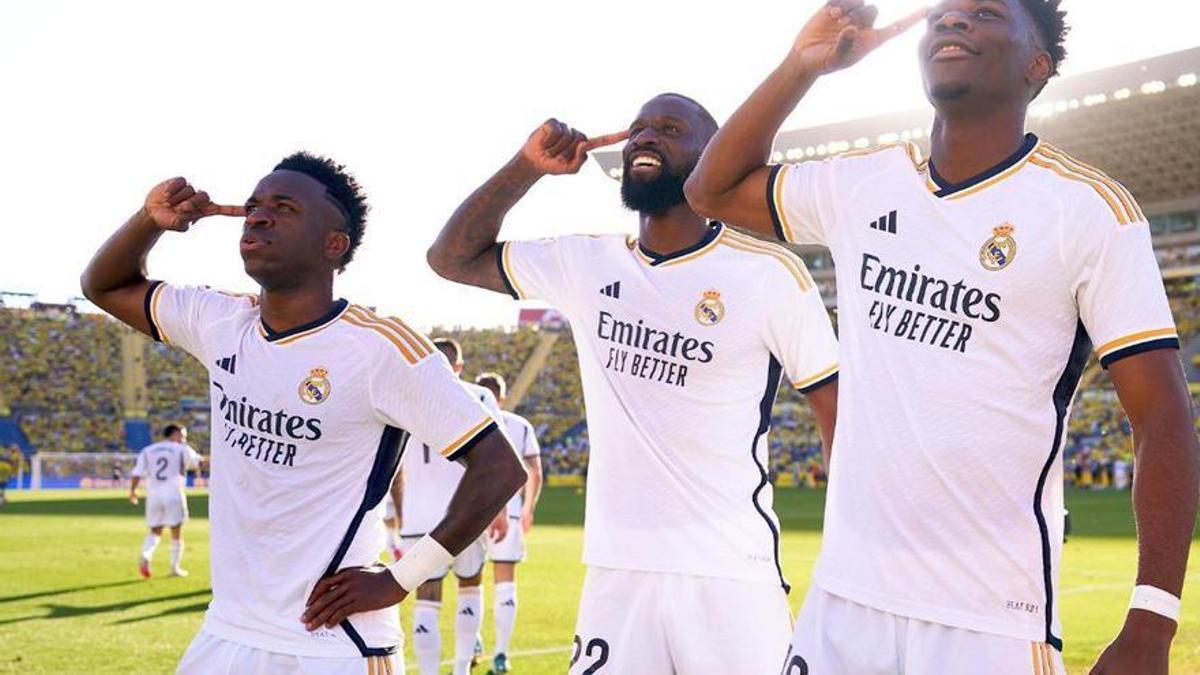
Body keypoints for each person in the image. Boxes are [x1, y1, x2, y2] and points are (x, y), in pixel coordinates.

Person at [685, 1, 1200, 673]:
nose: (951, 22)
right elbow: (711, 189)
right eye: (942, 15)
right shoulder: (861, 183)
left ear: (1036, 66)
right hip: (843, 606)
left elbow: (1161, 414)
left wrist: (1153, 621)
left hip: (986, 623)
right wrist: (803, 66)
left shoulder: (1090, 212)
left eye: (984, 13)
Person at [428, 93, 840, 673]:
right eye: (638, 129)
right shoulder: (586, 263)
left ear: (712, 154)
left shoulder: (768, 273)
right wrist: (527, 166)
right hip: (617, 570)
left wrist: (848, 556)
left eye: (670, 128)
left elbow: (836, 412)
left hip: (728, 572)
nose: (645, 137)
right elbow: (450, 258)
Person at [81, 153, 526, 674]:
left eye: (284, 207)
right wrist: (149, 221)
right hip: (226, 630)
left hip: (331, 644)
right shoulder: (221, 320)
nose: (258, 216)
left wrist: (402, 578)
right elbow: (104, 286)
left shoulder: (381, 348)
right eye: (254, 206)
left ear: (333, 245)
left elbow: (500, 467)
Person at [394, 338, 506, 675]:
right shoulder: (482, 394)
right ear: (457, 366)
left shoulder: (404, 395)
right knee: (470, 582)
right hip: (469, 510)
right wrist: (498, 509)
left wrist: (402, 514)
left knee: (427, 595)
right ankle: (460, 670)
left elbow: (396, 468)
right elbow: (499, 458)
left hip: (419, 515)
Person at [474, 372, 544, 674]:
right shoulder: (519, 424)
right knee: (505, 581)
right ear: (501, 397)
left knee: (468, 582)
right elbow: (535, 471)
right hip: (510, 512)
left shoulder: (464, 419)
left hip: (469, 513)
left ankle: (473, 641)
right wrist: (528, 508)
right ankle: (501, 655)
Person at [129, 423, 202, 578]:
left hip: (154, 495)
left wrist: (133, 491)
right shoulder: (181, 449)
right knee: (176, 531)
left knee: (155, 530)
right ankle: (174, 568)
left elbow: (137, 473)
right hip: (174, 494)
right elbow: (199, 462)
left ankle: (146, 554)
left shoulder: (148, 450)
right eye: (183, 435)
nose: (184, 439)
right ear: (174, 433)